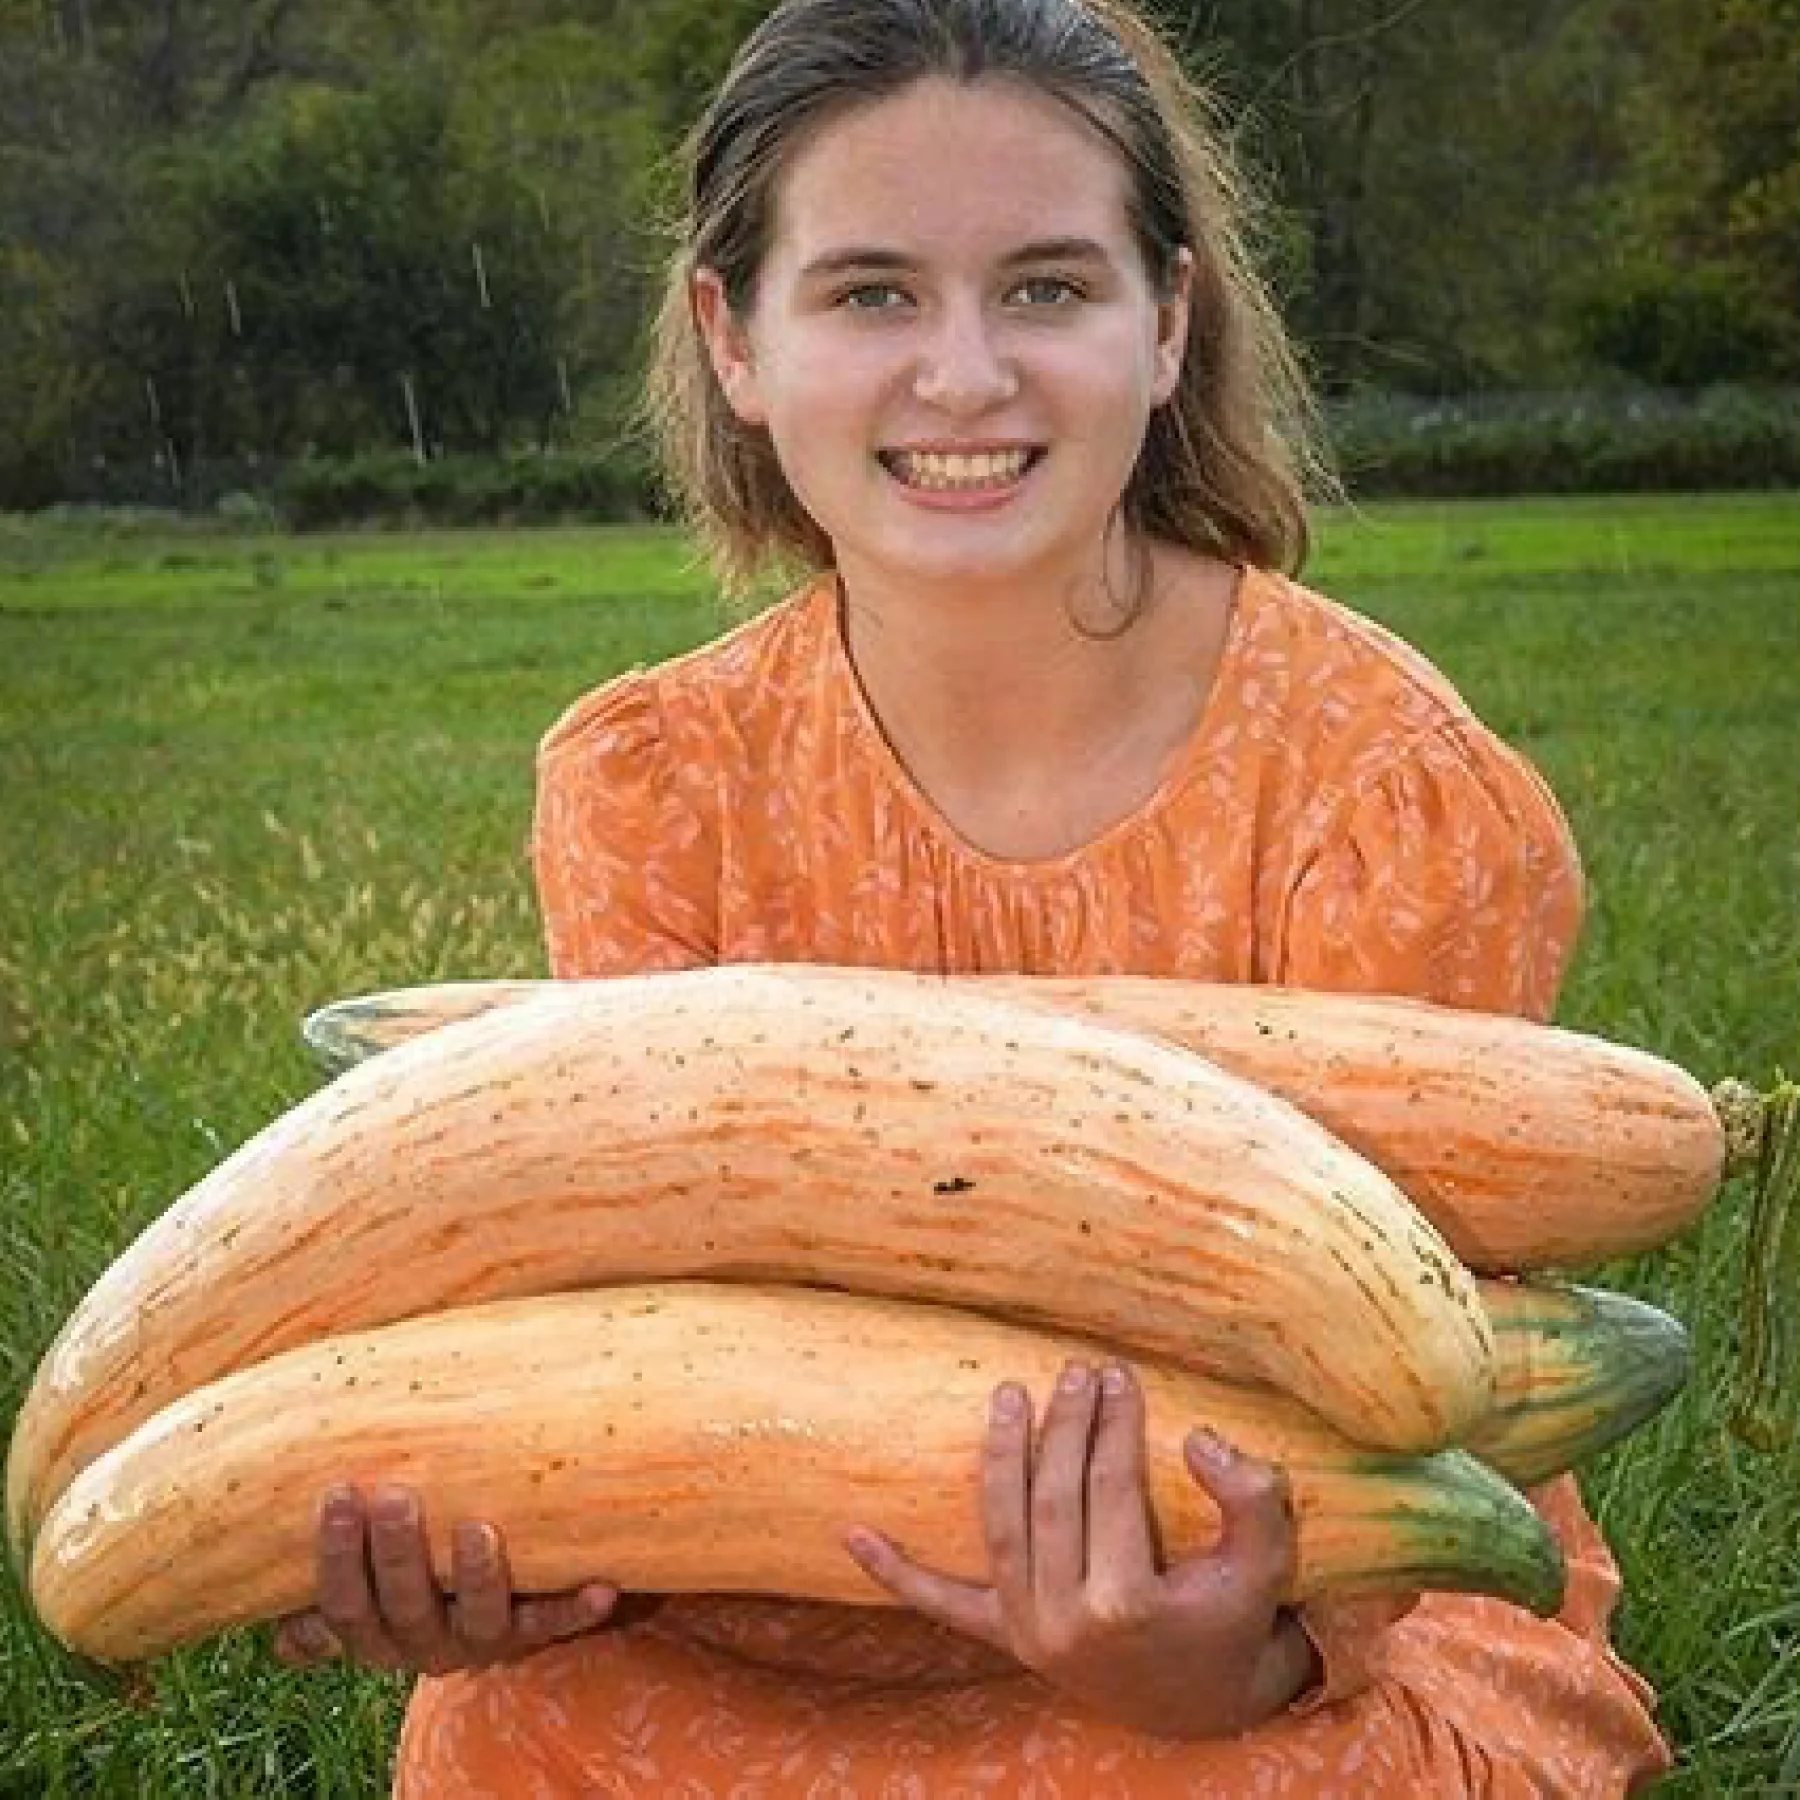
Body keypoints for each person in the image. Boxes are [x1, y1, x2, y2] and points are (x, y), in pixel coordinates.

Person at [275, 0, 1673, 1790]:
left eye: (1046, 288)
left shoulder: (1382, 793)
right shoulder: (653, 789)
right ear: (736, 338)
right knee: (504, 1730)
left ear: (1166, 323)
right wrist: (515, 1549)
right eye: (870, 291)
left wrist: (1233, 1652)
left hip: (1304, 1619)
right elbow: (637, 1333)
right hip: (781, 1601)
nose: (963, 375)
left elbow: (1442, 1387)